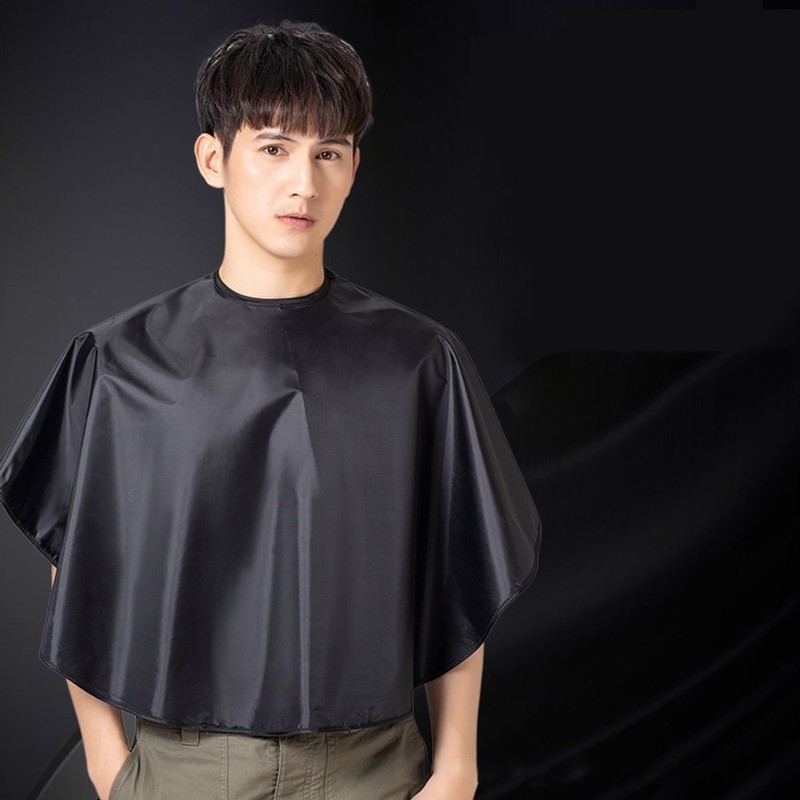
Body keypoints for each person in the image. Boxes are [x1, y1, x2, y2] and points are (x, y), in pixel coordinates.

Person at [0, 18, 541, 800]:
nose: (304, 184)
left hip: (374, 768)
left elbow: (459, 568)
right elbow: (74, 558)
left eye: (329, 153)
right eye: (275, 147)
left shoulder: (419, 362)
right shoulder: (119, 361)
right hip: (183, 768)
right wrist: (107, 762)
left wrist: (457, 766)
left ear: (354, 169)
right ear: (213, 159)